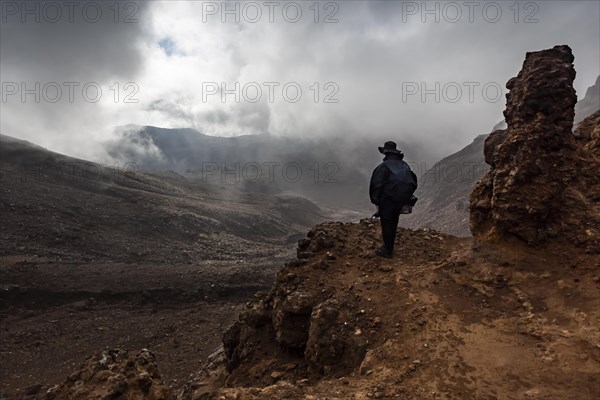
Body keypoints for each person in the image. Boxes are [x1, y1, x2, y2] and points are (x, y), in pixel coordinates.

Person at [369, 141, 418, 258]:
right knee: (394, 221)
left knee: (386, 223)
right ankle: (390, 246)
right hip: (401, 199)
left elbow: (376, 184)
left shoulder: (383, 167)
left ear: (385, 153)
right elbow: (412, 182)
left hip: (387, 200)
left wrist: (376, 201)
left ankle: (387, 250)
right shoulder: (404, 165)